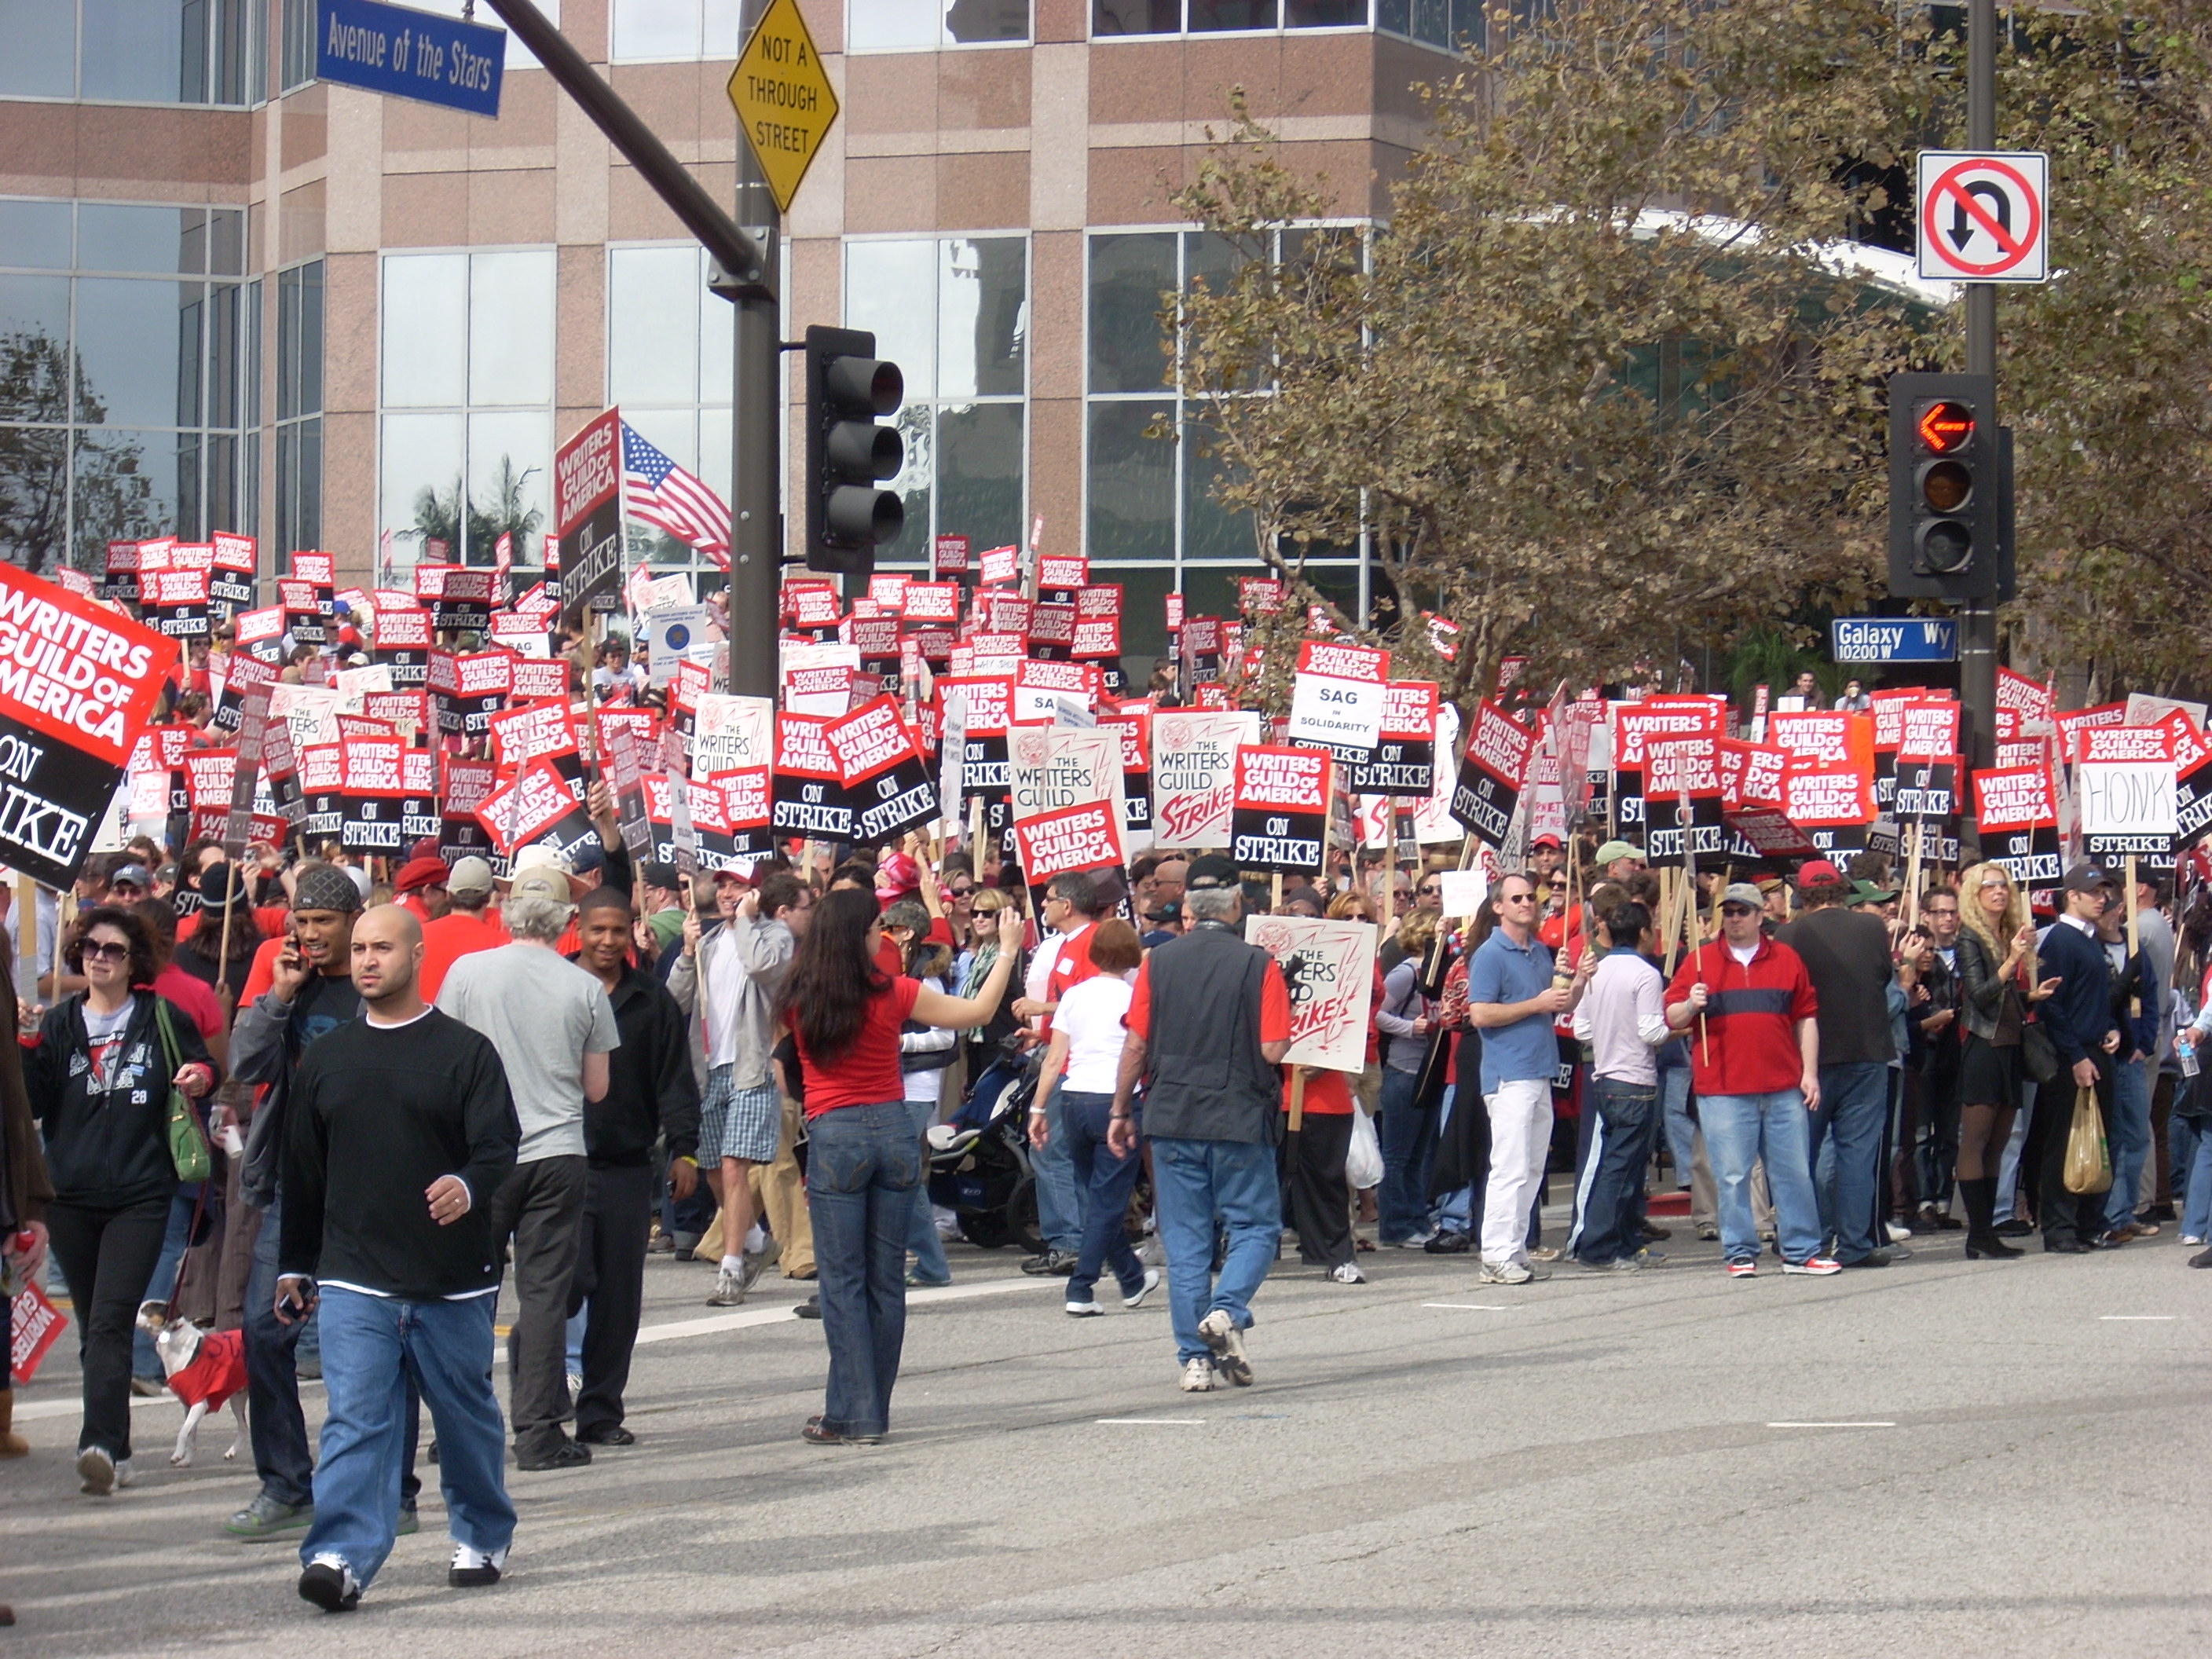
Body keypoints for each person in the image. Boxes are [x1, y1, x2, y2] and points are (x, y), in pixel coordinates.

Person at [278, 905, 522, 1613]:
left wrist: (468, 1185)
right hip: (355, 1275)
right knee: (355, 1416)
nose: (366, 960)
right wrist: (295, 1264)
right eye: (358, 949)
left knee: (464, 1414)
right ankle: (341, 1556)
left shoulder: (465, 1052)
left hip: (452, 1278)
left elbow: (498, 1148)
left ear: (417, 955)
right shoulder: (325, 1058)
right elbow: (303, 1172)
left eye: (382, 947)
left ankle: (482, 1532)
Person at [777, 888, 1017, 1443]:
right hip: (891, 1125)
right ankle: (870, 1410)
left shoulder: (798, 994)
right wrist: (1005, 951)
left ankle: (851, 1411)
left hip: (835, 1128)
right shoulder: (893, 991)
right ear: (860, 936)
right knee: (886, 1278)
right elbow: (977, 1013)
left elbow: (782, 1058)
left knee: (843, 1281)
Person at [24, 906, 219, 1496]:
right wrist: (27, 1043)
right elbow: (33, 1103)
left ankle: (100, 1445)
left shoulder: (161, 1016)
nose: (99, 957)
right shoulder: (58, 1025)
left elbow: (207, 1066)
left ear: (135, 962)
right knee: (93, 1325)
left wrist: (198, 1079)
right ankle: (121, 1444)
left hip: (140, 1192)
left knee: (111, 1319)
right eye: (89, 948)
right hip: (71, 1195)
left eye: (112, 949)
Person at [436, 866, 619, 1470]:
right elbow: (597, 1089)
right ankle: (538, 1430)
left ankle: (455, 1424)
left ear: (506, 913)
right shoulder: (585, 988)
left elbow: (444, 1065)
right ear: (569, 920)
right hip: (557, 1150)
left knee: (468, 1292)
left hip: (482, 1154)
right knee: (543, 1296)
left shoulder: (466, 975)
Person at [226, 862, 372, 1539]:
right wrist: (279, 995)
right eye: (302, 922)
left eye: (323, 922)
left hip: (365, 1186)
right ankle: (286, 1483)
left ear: (351, 924)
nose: (310, 935)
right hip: (293, 1186)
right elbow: (246, 1064)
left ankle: (380, 1485)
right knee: (264, 1331)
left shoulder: (374, 986)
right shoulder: (290, 987)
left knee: (370, 1340)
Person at [1109, 860, 1292, 1393]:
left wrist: (1120, 1110)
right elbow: (1272, 1048)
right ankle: (1227, 1310)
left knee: (1186, 1242)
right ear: (1238, 906)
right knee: (1254, 1226)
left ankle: (1194, 1359)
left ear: (1190, 909)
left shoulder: (1156, 964)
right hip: (1236, 1114)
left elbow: (1137, 1044)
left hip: (1172, 1113)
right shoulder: (1260, 965)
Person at [566, 888, 700, 1445]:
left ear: (632, 931)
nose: (607, 941)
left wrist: (685, 1148)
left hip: (625, 1166)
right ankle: (541, 1408)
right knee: (559, 1291)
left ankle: (600, 1413)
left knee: (618, 1300)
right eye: (597, 930)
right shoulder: (555, 989)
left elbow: (674, 1078)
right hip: (559, 1166)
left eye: (618, 931)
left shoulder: (651, 1000)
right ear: (579, 928)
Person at [1665, 888, 1838, 1276]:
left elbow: (1806, 1017)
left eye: (1742, 911)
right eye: (1728, 911)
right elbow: (1671, 1018)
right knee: (1732, 1174)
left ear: (1761, 916)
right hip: (1723, 1088)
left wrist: (1809, 1073)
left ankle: (1801, 1250)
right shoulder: (1699, 962)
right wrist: (1692, 1004)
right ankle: (1740, 1251)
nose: (1734, 918)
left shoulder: (1788, 959)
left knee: (1793, 1170)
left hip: (1782, 1086)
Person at [668, 868, 810, 1306]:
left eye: (739, 886)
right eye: (723, 886)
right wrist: (688, 952)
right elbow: (675, 1001)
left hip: (753, 1068)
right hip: (713, 1069)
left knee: (733, 1165)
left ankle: (731, 1271)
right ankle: (751, 1237)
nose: (729, 894)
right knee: (712, 1166)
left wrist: (747, 919)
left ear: (756, 893)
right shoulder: (709, 943)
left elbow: (763, 968)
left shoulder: (774, 936)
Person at [1464, 872, 1591, 1284]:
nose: (1527, 904)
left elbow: (1557, 1004)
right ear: (1498, 906)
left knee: (1533, 1169)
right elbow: (1480, 1014)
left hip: (1539, 1069)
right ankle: (1495, 1254)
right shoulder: (1490, 954)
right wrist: (1535, 1003)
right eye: (1516, 898)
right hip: (1508, 1073)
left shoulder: (1539, 952)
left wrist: (1580, 980)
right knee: (1510, 1166)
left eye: (1530, 897)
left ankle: (1514, 1250)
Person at [1029, 919, 1159, 1313]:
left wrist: (1038, 1106)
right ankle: (1081, 1286)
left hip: (1073, 1098)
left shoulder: (1073, 996)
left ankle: (1131, 1278)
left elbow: (1055, 1058)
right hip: (1116, 1100)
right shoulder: (1134, 997)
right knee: (1107, 1201)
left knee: (1095, 1194)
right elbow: (1142, 1052)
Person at [1777, 859, 1899, 1269]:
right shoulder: (1870, 928)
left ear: (1803, 893)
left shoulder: (1788, 933)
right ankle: (1855, 1243)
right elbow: (1883, 977)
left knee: (1801, 1154)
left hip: (1808, 1059)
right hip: (1866, 1051)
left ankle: (1805, 1239)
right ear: (1843, 890)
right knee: (1857, 1155)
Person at [1950, 864, 2051, 1258]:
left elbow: (2004, 998)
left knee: (2000, 1140)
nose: (1999, 891)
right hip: (1983, 1048)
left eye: (2003, 885)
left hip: (2009, 1045)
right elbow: (1980, 994)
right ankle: (1977, 1234)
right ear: (1974, 894)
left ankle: (1988, 1231)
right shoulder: (1969, 937)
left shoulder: (2002, 935)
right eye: (1989, 886)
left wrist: (2032, 996)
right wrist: (2011, 961)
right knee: (1975, 1140)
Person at [1567, 898, 1672, 1271]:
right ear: (1644, 933)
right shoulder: (1645, 974)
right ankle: (1598, 1246)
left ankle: (1626, 1244)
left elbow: (1581, 1028)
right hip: (1635, 1080)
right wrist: (1680, 1021)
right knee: (1620, 1169)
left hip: (1605, 1076)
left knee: (1622, 1166)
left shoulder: (1599, 970)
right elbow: (1651, 1031)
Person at [1013, 872, 1107, 1277]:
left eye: (1049, 899)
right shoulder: (1069, 944)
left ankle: (1069, 1241)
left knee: (1048, 1150)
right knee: (1063, 1154)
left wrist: (1043, 1011)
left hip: (1077, 1065)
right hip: (1066, 1055)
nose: (1044, 905)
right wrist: (1042, 1032)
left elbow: (1093, 999)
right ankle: (1080, 1242)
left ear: (1067, 906)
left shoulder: (1092, 942)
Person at [2032, 863, 2125, 1255]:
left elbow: (2091, 998)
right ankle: (2059, 1225)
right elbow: (2053, 1006)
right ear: (2072, 896)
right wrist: (2074, 1055)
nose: (2102, 898)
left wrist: (2110, 1028)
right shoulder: (2059, 941)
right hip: (2071, 1055)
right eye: (2093, 892)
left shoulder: (2091, 939)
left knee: (2103, 1139)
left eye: (2105, 892)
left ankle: (2090, 1221)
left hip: (2096, 1048)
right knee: (2065, 1142)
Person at [1374, 910, 1442, 1247]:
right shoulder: (1406, 974)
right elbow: (1376, 1012)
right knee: (1398, 1154)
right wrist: (1409, 1027)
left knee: (1419, 1153)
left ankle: (1417, 1218)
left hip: (1429, 1071)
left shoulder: (1438, 974)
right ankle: (1396, 1225)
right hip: (1403, 1070)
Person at [416, 857, 505, 1000]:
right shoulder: (503, 944)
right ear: (489, 897)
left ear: (448, 894)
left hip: (423, 1020)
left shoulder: (417, 935)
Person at [393, 857, 452, 925]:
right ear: (428, 890)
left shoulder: (388, 910)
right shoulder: (422, 925)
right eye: (445, 890)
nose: (448, 897)